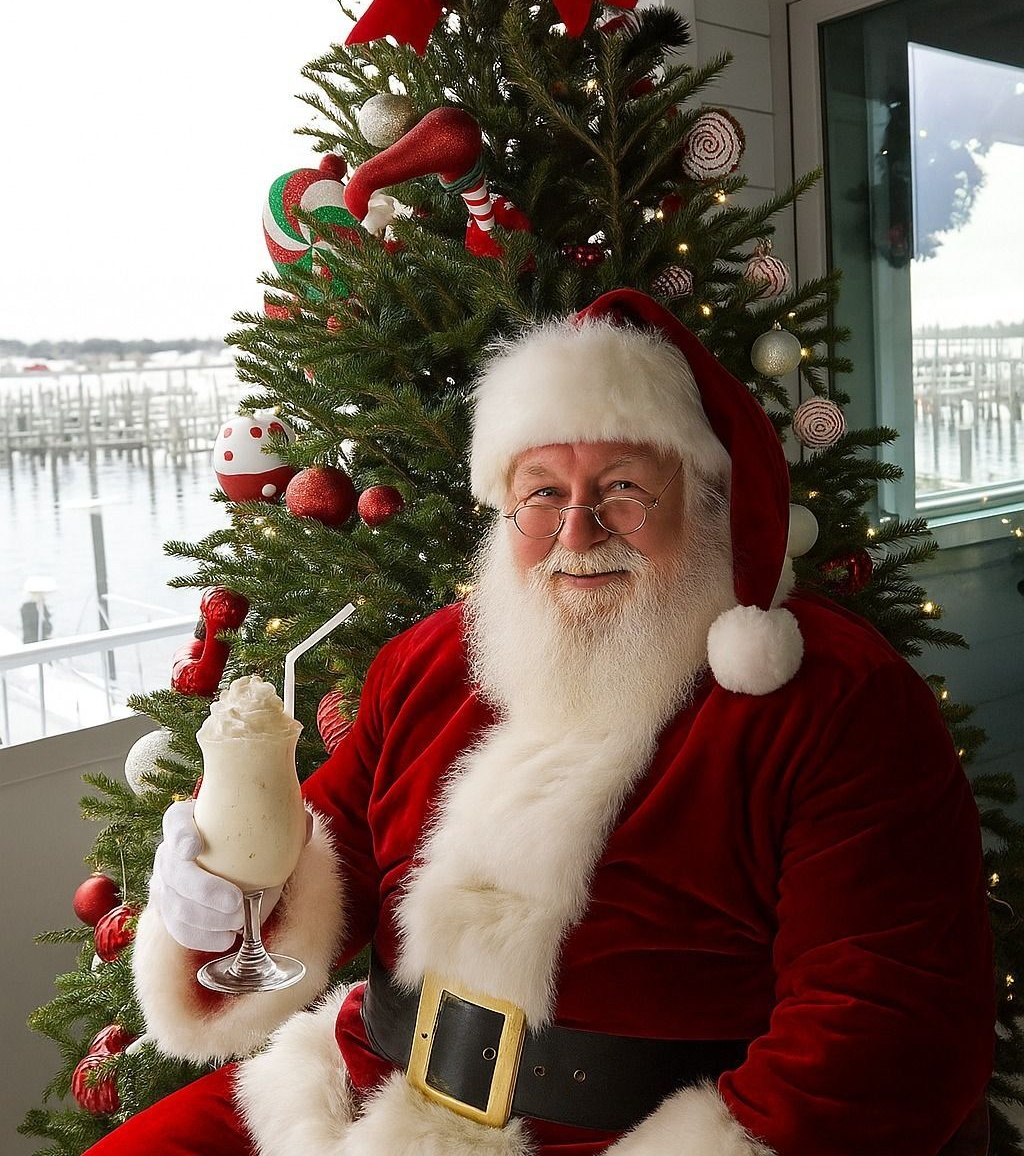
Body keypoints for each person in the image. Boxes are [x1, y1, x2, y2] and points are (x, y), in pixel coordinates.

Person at [89, 289, 994, 1156]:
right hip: (356, 1095)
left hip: (628, 1135)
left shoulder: (835, 698)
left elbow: (886, 1028)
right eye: (542, 494)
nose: (577, 531)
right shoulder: (436, 661)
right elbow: (325, 847)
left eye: (625, 487)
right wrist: (227, 897)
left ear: (707, 503)